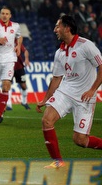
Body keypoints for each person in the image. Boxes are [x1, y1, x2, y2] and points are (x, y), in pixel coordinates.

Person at [36, 15, 102, 169]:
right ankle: (58, 161)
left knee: (80, 140)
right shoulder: (59, 52)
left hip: (84, 97)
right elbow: (57, 78)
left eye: (57, 26)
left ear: (67, 28)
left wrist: (92, 90)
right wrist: (46, 99)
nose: (55, 30)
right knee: (46, 120)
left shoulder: (86, 45)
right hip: (65, 91)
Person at [6, 42, 30, 110]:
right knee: (8, 85)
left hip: (19, 67)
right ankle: (9, 105)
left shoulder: (17, 42)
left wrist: (26, 59)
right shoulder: (5, 42)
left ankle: (24, 102)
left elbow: (25, 51)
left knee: (23, 85)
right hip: (9, 67)